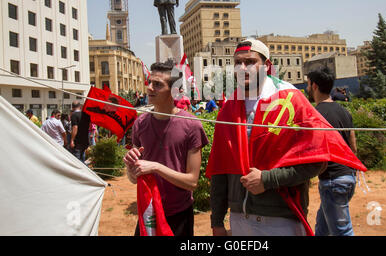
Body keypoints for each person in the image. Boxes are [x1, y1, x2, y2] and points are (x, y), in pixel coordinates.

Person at [209, 39, 326, 236]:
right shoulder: (228, 108)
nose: (242, 68)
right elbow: (221, 170)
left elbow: (317, 161)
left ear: (267, 66)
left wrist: (268, 179)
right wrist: (217, 221)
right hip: (239, 220)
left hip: (280, 220)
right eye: (237, 62)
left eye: (250, 62)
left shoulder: (292, 100)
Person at [123, 60, 209, 236]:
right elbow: (133, 178)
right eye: (149, 82)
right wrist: (131, 168)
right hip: (148, 212)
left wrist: (155, 167)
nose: (150, 88)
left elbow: (192, 182)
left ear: (175, 91)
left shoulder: (191, 125)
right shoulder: (140, 124)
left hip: (178, 215)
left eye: (158, 84)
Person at [306, 67, 358, 236]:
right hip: (348, 176)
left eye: (307, 84)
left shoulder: (316, 114)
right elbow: (353, 145)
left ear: (314, 86)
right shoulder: (344, 111)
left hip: (333, 181)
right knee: (323, 227)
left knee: (342, 231)